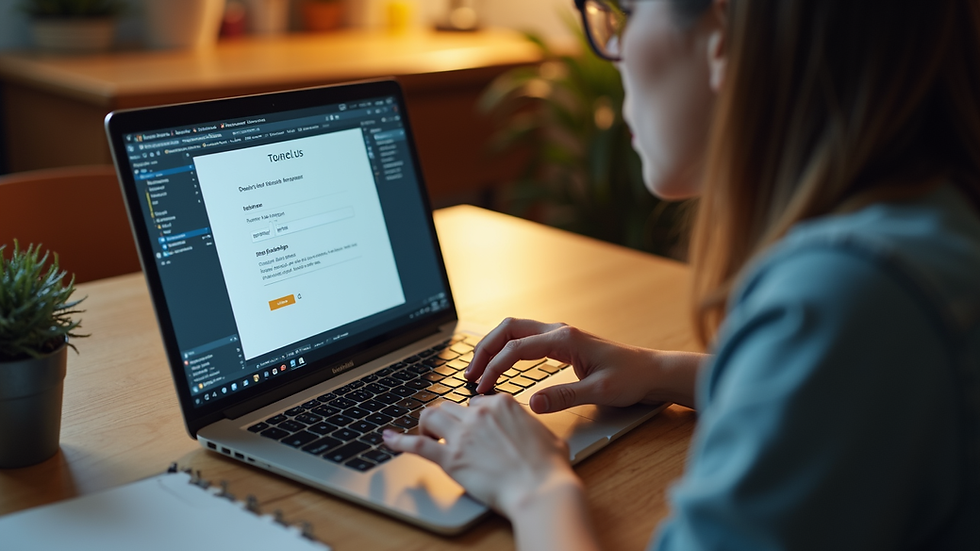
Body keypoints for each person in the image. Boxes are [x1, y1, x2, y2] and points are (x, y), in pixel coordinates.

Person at [384, 0, 980, 549]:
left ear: (722, 35)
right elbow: (854, 389)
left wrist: (534, 487)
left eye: (625, 12)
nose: (612, 47)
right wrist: (662, 371)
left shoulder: (843, 294)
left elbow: (844, 352)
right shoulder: (923, 222)